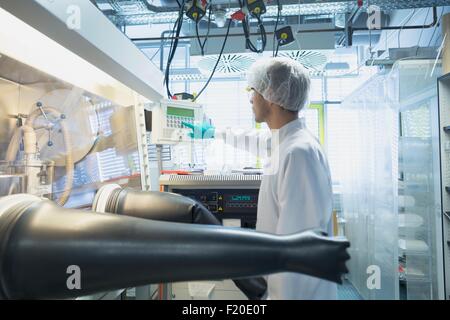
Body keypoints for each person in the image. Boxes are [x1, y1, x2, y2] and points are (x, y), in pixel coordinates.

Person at [247, 57, 336, 300]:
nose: (250, 98)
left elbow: (297, 252)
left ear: (271, 95)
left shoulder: (298, 153)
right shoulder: (286, 144)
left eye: (253, 90)